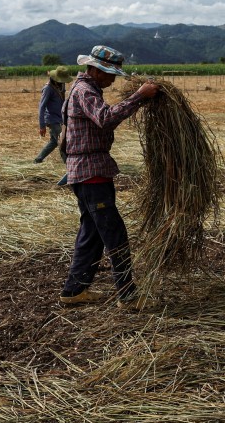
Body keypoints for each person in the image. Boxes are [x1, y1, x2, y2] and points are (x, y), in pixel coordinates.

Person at [60, 45, 159, 307]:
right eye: (108, 73)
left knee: (91, 233)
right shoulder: (84, 91)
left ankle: (74, 291)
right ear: (93, 69)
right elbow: (105, 118)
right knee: (114, 233)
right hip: (91, 174)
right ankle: (128, 296)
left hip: (89, 171)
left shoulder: (86, 89)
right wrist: (139, 96)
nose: (112, 79)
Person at [34, 65, 74, 164]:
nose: (63, 82)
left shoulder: (61, 85)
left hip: (60, 118)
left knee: (54, 142)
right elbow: (42, 107)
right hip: (52, 119)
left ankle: (38, 159)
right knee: (62, 141)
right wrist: (42, 125)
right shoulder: (48, 88)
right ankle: (68, 163)